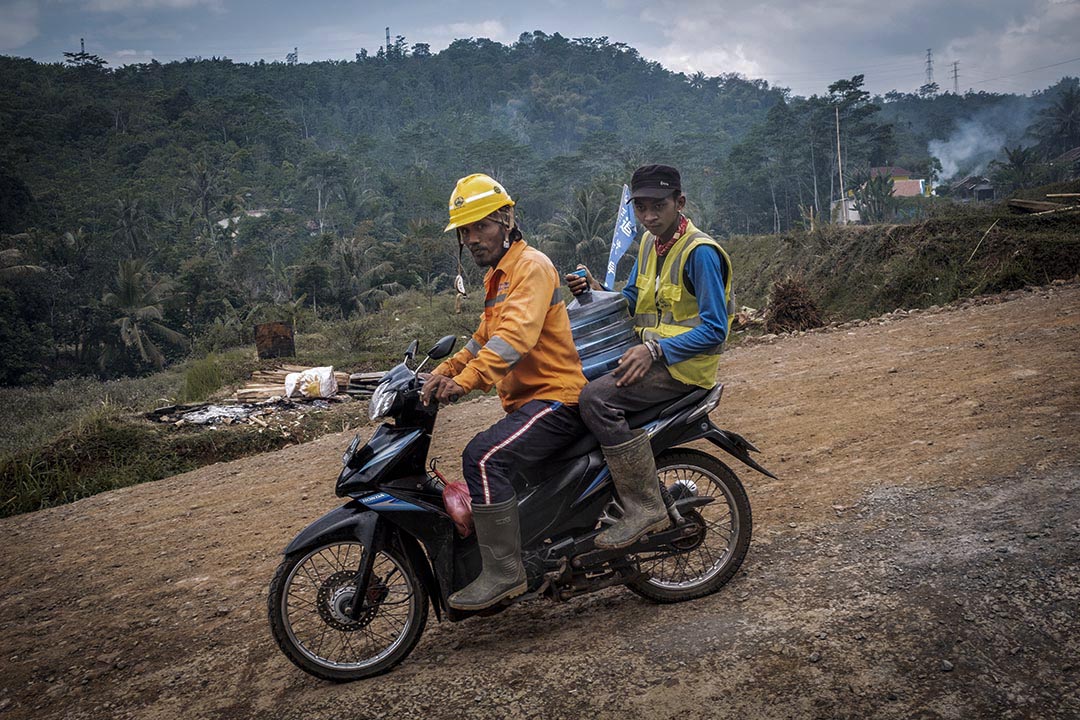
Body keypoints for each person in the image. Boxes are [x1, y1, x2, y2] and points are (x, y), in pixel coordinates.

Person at [422, 173, 588, 611]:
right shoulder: (499, 275)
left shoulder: (529, 266)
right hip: (530, 402)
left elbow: (514, 338)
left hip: (556, 398)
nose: (473, 238)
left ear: (507, 221)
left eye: (482, 226)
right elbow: (481, 339)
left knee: (482, 456)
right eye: (466, 230)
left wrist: (465, 382)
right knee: (500, 468)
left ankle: (504, 572)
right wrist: (439, 372)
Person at [565, 164, 734, 550]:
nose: (648, 216)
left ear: (680, 202)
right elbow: (632, 301)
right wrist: (594, 290)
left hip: (682, 370)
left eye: (658, 206)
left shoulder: (699, 253)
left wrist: (655, 348)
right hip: (650, 359)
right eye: (640, 208)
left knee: (596, 398)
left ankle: (644, 504)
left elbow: (715, 329)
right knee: (572, 382)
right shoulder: (649, 243)